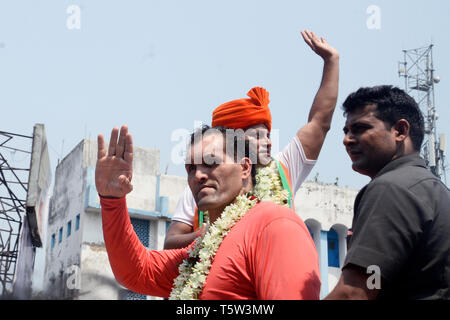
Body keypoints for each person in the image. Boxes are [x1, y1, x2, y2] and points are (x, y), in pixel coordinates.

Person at [96, 125, 320, 299]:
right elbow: (136, 272)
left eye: (211, 163)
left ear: (244, 168)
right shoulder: (202, 248)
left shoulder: (275, 225)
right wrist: (112, 200)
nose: (198, 176)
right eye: (191, 168)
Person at [164, 30, 339, 249]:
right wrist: (211, 232)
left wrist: (331, 61)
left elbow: (319, 123)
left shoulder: (282, 170)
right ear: (232, 142)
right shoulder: (202, 185)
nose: (268, 142)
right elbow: (170, 244)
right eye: (257, 136)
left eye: (268, 135)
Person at [325, 85, 450, 300]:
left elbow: (354, 293)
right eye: (346, 131)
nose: (347, 139)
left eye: (360, 128)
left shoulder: (391, 188)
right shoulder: (437, 191)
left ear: (400, 131)